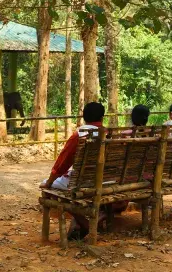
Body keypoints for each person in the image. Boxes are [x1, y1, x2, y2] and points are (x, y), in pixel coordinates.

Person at [40, 102, 126, 239]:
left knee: (48, 186)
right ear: (102, 117)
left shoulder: (79, 135)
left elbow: (62, 163)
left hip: (82, 183)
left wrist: (49, 182)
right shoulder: (109, 134)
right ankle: (94, 218)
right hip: (107, 181)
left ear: (84, 117)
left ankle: (85, 223)